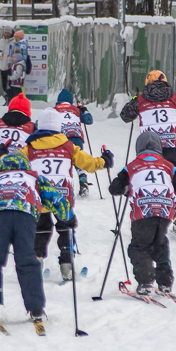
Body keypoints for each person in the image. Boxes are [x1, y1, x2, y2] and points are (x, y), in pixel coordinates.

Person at [0, 149, 72, 330]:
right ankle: (36, 309)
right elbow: (56, 197)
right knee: (27, 262)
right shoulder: (32, 177)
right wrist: (68, 217)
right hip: (25, 217)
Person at [24, 107, 111, 279]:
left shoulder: (30, 148)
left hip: (39, 197)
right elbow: (87, 163)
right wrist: (104, 161)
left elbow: (13, 162)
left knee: (40, 228)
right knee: (65, 228)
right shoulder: (68, 146)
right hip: (63, 196)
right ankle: (67, 266)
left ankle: (36, 260)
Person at [109, 131, 176, 297]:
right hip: (165, 210)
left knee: (139, 246)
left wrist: (127, 188)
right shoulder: (169, 166)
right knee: (159, 243)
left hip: (143, 210)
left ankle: (146, 281)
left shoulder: (131, 166)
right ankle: (165, 282)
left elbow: (114, 188)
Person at [119, 70, 176, 234]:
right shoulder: (174, 97)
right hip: (172, 145)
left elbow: (125, 116)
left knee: (150, 180)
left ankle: (148, 212)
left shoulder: (140, 99)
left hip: (149, 149)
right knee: (174, 180)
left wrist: (134, 101)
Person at [54, 88, 95, 197]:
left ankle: (63, 186)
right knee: (79, 161)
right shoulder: (76, 110)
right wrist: (83, 109)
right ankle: (83, 183)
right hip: (76, 137)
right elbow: (89, 120)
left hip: (62, 138)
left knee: (63, 161)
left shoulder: (55, 110)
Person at [0, 28, 14, 102]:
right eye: (5, 33)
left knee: (9, 84)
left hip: (9, 67)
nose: (7, 34)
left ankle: (10, 99)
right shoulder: (1, 41)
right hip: (2, 66)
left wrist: (11, 58)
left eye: (8, 33)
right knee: (4, 84)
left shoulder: (13, 41)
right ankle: (6, 98)